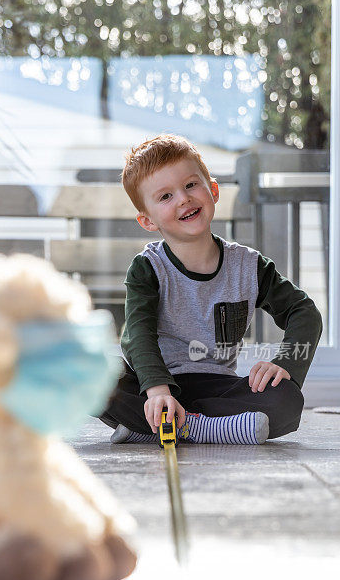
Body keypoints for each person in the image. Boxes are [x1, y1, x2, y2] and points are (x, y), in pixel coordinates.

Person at [99, 134, 323, 445]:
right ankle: (203, 426)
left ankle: (166, 427)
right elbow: (138, 335)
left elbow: (304, 311)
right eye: (165, 196)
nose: (183, 199)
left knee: (287, 399)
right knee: (95, 371)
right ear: (147, 221)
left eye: (191, 185)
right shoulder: (147, 268)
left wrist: (286, 363)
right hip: (155, 386)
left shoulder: (249, 265)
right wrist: (157, 389)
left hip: (221, 388)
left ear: (212, 190)